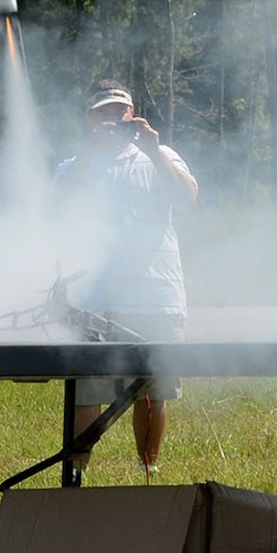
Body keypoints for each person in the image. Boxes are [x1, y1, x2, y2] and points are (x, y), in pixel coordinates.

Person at [55, 80, 198, 482]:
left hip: (157, 295)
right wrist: (89, 153)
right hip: (95, 301)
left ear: (133, 114)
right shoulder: (75, 165)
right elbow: (55, 207)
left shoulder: (161, 155)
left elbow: (187, 199)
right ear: (89, 120)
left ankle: (148, 470)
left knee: (155, 391)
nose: (114, 119)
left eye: (120, 112)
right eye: (103, 113)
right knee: (88, 392)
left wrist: (152, 149)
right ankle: (75, 474)